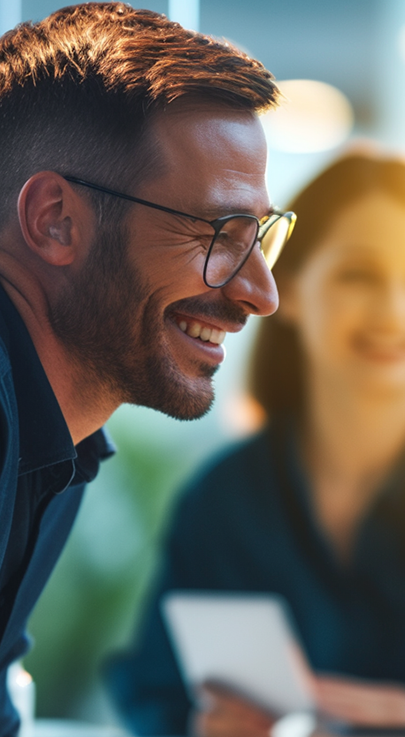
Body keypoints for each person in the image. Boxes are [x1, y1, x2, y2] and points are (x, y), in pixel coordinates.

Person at [0, 2, 298, 734]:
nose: (260, 293)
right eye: (219, 233)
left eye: (263, 238)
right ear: (56, 219)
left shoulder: (44, 432)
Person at [105, 148, 405, 736]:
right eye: (359, 276)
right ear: (285, 288)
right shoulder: (225, 501)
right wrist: (203, 726)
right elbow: (153, 692)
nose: (393, 310)